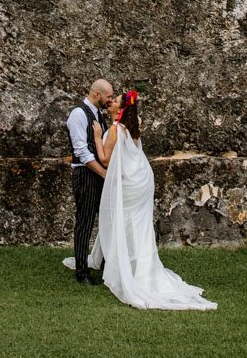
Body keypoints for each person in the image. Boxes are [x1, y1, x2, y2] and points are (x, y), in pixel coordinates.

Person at [85, 88, 217, 310]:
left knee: (124, 222)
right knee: (139, 226)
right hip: (142, 180)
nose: (111, 102)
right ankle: (136, 265)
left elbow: (105, 160)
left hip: (130, 184)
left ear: (122, 107)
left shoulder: (116, 129)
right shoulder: (133, 124)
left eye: (115, 100)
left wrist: (98, 137)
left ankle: (131, 270)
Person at [62, 78, 115, 285]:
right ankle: (82, 272)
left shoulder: (98, 116)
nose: (110, 101)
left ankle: (105, 265)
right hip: (85, 174)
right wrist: (103, 173)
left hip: (98, 173)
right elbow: (81, 151)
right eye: (108, 97)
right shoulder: (78, 114)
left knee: (106, 220)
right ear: (97, 95)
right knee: (84, 222)